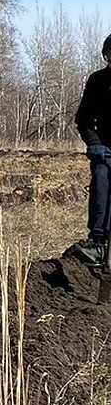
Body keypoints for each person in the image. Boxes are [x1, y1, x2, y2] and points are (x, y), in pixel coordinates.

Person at [75, 33, 111, 265]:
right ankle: (99, 243)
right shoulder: (98, 81)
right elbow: (84, 119)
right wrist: (95, 144)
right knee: (101, 179)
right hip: (106, 151)